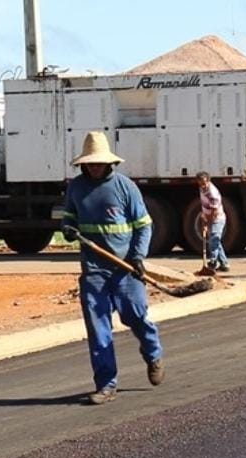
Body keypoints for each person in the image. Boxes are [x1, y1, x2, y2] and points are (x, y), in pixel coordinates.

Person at [61, 131, 165, 405]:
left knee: (137, 318)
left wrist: (137, 257)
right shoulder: (76, 187)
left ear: (109, 163)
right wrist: (68, 229)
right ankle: (106, 385)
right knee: (98, 329)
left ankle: (153, 353)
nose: (94, 167)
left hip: (125, 269)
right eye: (90, 163)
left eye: (99, 163)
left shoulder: (125, 187)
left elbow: (144, 225)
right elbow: (69, 216)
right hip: (94, 270)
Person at [196, 171, 229, 273]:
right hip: (209, 216)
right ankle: (224, 264)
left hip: (217, 218)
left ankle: (213, 262)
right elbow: (204, 205)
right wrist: (204, 220)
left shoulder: (212, 192)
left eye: (204, 183)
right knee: (216, 241)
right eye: (201, 183)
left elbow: (214, 211)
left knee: (214, 239)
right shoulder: (202, 189)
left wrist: (208, 223)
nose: (203, 185)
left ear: (208, 181)